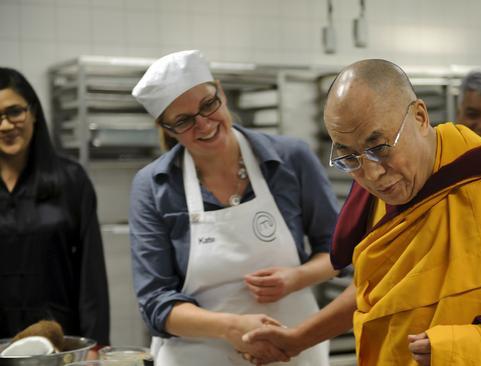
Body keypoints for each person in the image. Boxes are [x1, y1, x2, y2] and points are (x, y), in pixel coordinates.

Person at [243, 59, 481, 365]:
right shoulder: (380, 195)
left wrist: (461, 348)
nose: (371, 174)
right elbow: (379, 294)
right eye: (349, 156)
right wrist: (296, 340)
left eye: (380, 147)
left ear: (420, 117)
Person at [129, 50, 338, 366]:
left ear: (221, 92)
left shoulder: (290, 159)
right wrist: (232, 327)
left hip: (292, 349)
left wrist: (296, 278)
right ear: (167, 128)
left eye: (208, 105)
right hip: (198, 354)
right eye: (184, 121)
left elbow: (339, 252)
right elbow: (156, 304)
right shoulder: (154, 185)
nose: (204, 125)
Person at [0, 68, 110, 347]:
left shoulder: (71, 180)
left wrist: (95, 346)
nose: (5, 126)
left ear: (33, 112)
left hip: (60, 343)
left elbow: (91, 274)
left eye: (14, 112)